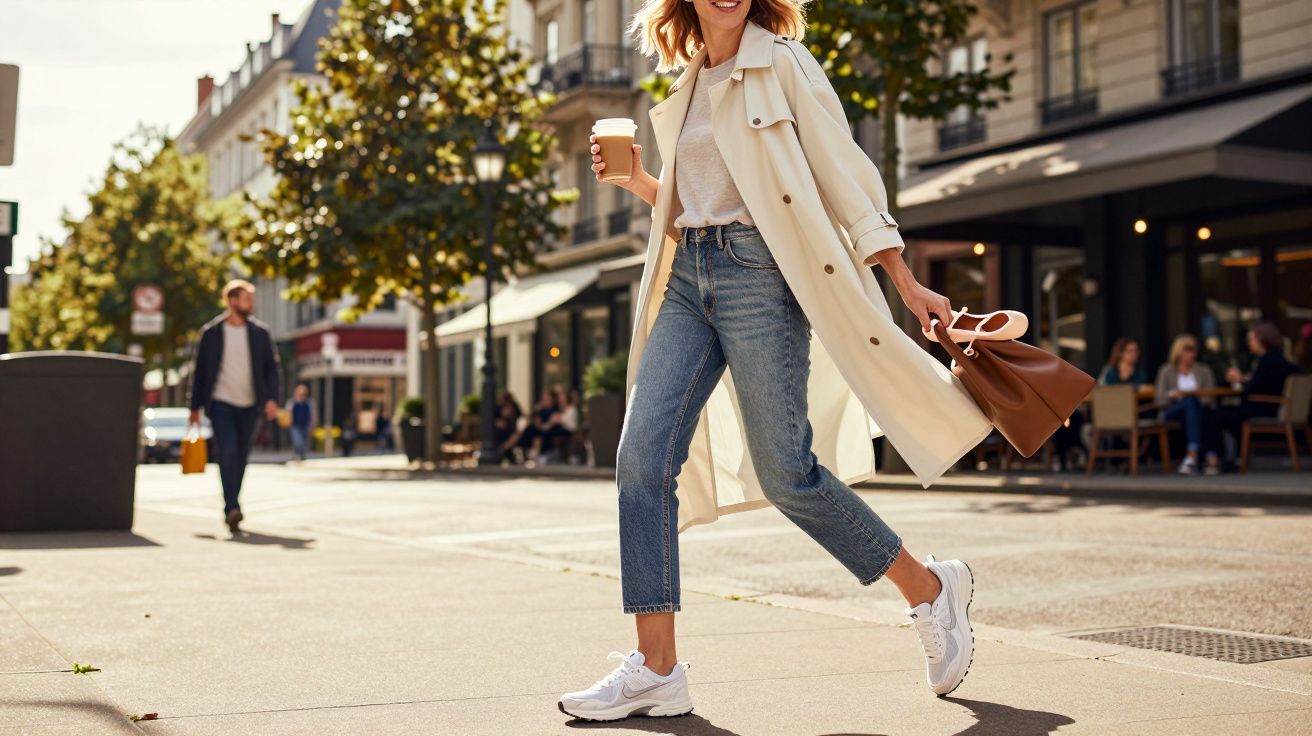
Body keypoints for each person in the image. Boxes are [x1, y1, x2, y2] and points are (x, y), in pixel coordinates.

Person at [558, 1, 991, 722]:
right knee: (640, 461)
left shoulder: (784, 62)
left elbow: (845, 176)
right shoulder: (689, 80)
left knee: (787, 474)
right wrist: (638, 181)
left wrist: (905, 281)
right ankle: (657, 669)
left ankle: (930, 588)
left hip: (762, 277)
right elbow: (695, 202)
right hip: (687, 276)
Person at [187, 280, 281, 533]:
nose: (251, 304)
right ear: (231, 300)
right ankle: (231, 507)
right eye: (246, 299)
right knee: (227, 450)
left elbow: (271, 369)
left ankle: (232, 503)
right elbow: (200, 372)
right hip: (221, 403)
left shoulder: (260, 333)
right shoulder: (212, 333)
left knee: (241, 456)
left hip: (251, 404)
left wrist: (272, 399)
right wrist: (193, 407)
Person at [1215, 322, 1297, 464]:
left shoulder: (1266, 362)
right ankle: (1236, 456)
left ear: (1262, 340)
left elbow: (1254, 390)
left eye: (1252, 339)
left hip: (1266, 409)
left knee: (1216, 414)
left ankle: (1225, 458)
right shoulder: (1280, 360)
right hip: (1275, 408)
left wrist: (1241, 379)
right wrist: (1247, 379)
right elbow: (1264, 383)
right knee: (1226, 414)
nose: (1249, 343)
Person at [1153, 334, 1219, 475]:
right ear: (1178, 351)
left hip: (1198, 409)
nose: (1192, 353)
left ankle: (1193, 456)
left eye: (1194, 349)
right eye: (1187, 349)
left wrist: (1196, 394)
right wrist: (1172, 394)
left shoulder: (1204, 370)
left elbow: (1211, 395)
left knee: (1198, 407)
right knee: (1190, 402)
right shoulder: (1166, 371)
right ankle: (1209, 456)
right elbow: (1159, 399)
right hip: (1172, 410)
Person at [285, 384, 316, 462]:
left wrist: (313, 425)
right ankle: (296, 454)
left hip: (305, 425)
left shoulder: (309, 403)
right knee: (297, 441)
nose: (302, 396)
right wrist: (288, 421)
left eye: (304, 394)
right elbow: (288, 413)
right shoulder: (292, 402)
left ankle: (302, 455)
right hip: (295, 425)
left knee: (304, 441)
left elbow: (313, 414)